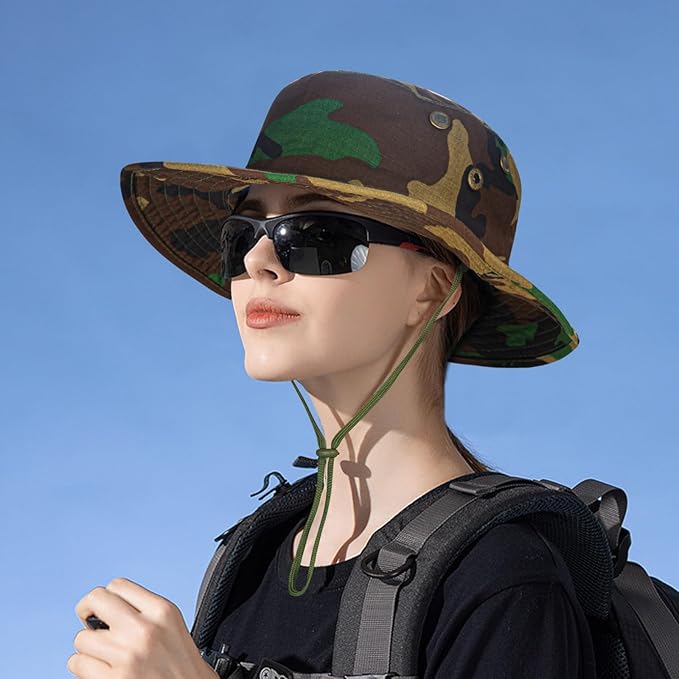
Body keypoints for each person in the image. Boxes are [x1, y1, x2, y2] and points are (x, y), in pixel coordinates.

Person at [119, 70, 597, 677]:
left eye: (316, 236)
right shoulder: (251, 559)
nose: (259, 261)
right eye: (243, 235)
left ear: (433, 288)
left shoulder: (503, 580)